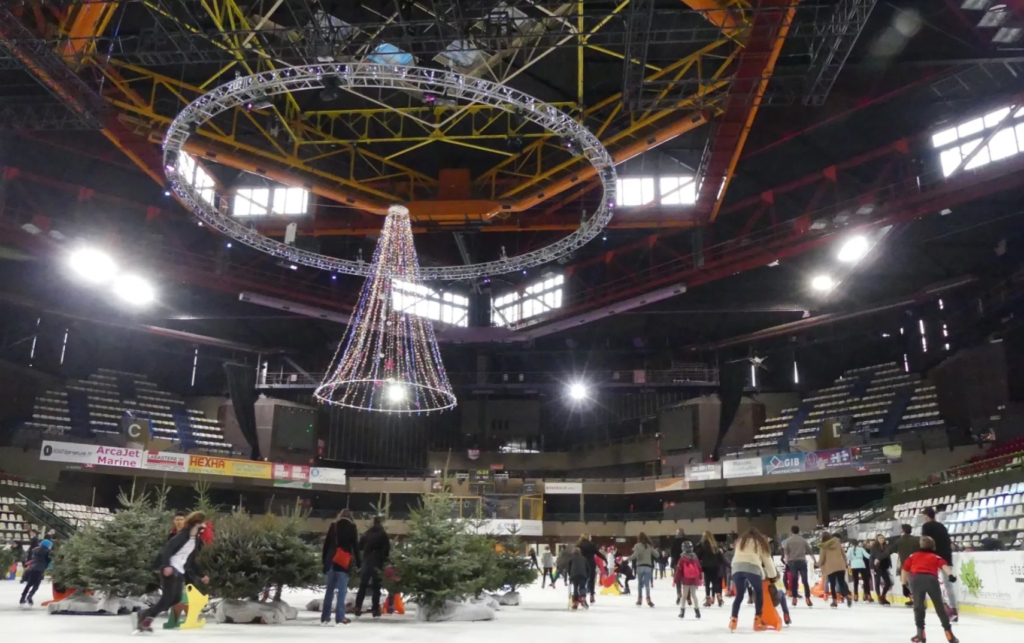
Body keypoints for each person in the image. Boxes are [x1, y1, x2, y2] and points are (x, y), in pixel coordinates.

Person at [134, 512, 209, 634]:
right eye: (201, 525)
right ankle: (147, 620)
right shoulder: (182, 536)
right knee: (167, 598)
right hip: (170, 569)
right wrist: (166, 566)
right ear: (195, 524)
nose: (203, 528)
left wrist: (202, 575)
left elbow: (191, 560)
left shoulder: (195, 541)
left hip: (179, 570)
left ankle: (144, 614)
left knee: (176, 599)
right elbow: (167, 550)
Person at [902, 536, 959, 643]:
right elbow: (944, 566)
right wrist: (950, 575)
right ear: (933, 546)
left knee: (918, 607)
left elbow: (905, 569)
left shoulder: (913, 556)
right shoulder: (935, 557)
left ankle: (920, 634)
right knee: (939, 607)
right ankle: (949, 634)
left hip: (917, 580)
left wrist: (904, 584)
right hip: (931, 580)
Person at [728, 528, 777, 632]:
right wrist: (773, 576)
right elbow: (767, 560)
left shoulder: (741, 542)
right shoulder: (760, 542)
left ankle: (733, 620)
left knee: (739, 595)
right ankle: (757, 621)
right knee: (759, 593)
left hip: (736, 567)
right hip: (752, 567)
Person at [320, 509, 358, 626]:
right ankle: (340, 617)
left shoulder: (334, 526)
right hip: (343, 562)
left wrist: (324, 561)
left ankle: (325, 616)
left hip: (331, 560)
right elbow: (355, 546)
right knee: (341, 591)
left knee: (329, 590)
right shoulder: (352, 527)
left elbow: (326, 545)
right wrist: (359, 563)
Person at [921, 507, 957, 622]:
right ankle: (954, 609)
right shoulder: (942, 526)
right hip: (946, 556)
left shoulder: (926, 527)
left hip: (934, 557)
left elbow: (925, 542)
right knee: (948, 584)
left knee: (933, 585)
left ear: (926, 516)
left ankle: (946, 608)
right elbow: (948, 542)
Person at [354, 516, 390, 618]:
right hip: (377, 562)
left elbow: (359, 546)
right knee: (376, 587)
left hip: (366, 561)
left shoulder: (367, 533)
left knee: (363, 586)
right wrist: (383, 559)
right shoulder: (383, 534)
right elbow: (386, 549)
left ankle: (357, 607)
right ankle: (375, 610)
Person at [782, 526, 816, 607]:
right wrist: (815, 560)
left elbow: (786, 553)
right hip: (802, 562)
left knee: (794, 580)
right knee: (805, 580)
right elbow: (810, 551)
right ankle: (807, 598)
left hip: (792, 562)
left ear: (791, 531)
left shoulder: (788, 541)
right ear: (799, 531)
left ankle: (794, 598)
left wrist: (786, 563)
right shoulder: (803, 540)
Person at [817, 532, 852, 608]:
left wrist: (816, 564)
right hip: (840, 566)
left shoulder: (823, 547)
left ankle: (835, 601)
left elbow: (822, 559)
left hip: (830, 567)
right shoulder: (837, 543)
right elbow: (843, 554)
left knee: (832, 585)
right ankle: (847, 595)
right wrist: (845, 563)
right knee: (841, 582)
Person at [19, 539, 52, 607]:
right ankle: (30, 596)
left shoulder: (35, 550)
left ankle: (22, 598)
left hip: (32, 568)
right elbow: (49, 561)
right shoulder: (48, 552)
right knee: (36, 585)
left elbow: (34, 559)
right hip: (39, 570)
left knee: (29, 584)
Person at [674, 540, 703, 619]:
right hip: (694, 579)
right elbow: (699, 568)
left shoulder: (682, 559)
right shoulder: (695, 557)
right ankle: (697, 612)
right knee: (694, 595)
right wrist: (700, 578)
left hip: (686, 580)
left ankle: (682, 612)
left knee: (684, 596)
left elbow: (679, 571)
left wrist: (675, 580)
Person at [695, 530, 724, 608]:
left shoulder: (702, 545)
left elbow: (697, 555)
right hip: (715, 566)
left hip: (706, 566)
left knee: (707, 583)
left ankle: (708, 600)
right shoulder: (715, 545)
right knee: (715, 582)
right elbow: (720, 556)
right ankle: (719, 597)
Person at [629, 532, 657, 607]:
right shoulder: (649, 546)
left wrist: (628, 559)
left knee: (640, 584)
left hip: (640, 566)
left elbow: (634, 555)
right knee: (647, 584)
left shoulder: (637, 546)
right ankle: (648, 599)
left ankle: (639, 599)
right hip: (648, 567)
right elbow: (657, 555)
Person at [871, 534, 895, 605]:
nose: (881, 539)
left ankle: (883, 596)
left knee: (888, 583)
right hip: (877, 567)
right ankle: (879, 597)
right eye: (880, 538)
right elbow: (872, 557)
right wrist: (872, 567)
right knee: (877, 582)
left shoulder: (886, 546)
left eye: (882, 538)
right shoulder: (874, 547)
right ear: (877, 539)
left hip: (885, 566)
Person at [577, 534, 599, 604]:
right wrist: (605, 559)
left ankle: (582, 595)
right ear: (588, 537)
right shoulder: (592, 544)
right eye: (590, 537)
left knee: (583, 580)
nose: (591, 538)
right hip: (591, 564)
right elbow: (597, 553)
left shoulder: (579, 544)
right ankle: (592, 596)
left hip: (582, 564)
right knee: (592, 580)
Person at [670, 528, 686, 603]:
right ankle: (687, 595)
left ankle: (679, 593)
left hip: (677, 563)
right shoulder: (687, 540)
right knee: (686, 579)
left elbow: (672, 553)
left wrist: (673, 563)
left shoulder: (674, 541)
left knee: (678, 579)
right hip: (686, 562)